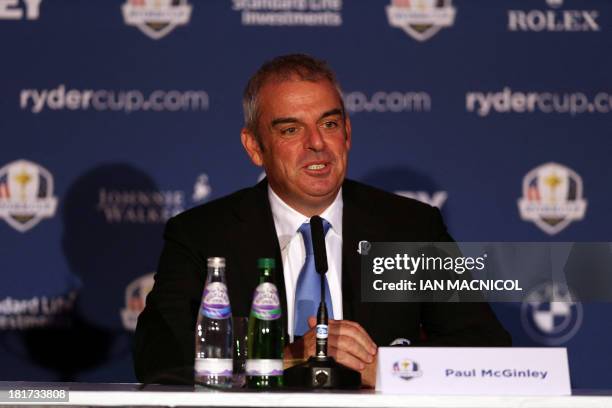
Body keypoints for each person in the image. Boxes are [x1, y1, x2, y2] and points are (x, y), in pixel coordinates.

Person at [134, 54, 511, 387]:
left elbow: (486, 348)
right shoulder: (203, 235)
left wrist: (390, 368)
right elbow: (159, 362)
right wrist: (284, 357)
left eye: (329, 124)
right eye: (291, 130)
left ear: (346, 133)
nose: (316, 143)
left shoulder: (409, 227)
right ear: (254, 147)